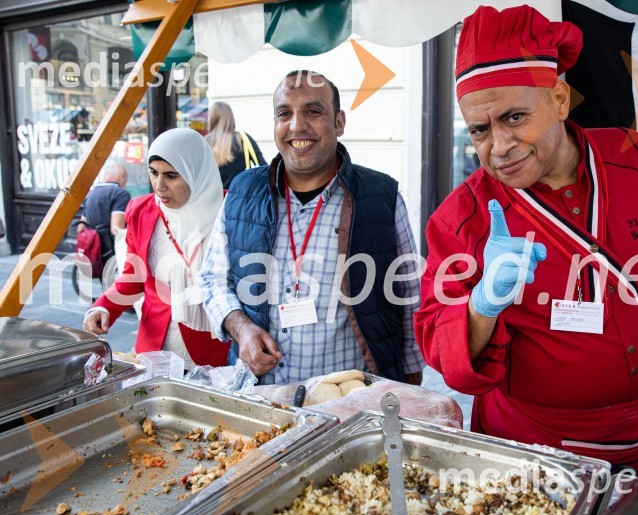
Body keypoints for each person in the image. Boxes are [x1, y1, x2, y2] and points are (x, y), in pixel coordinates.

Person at [415, 5, 638, 470]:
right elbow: (439, 347)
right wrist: (481, 306)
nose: (499, 145)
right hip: (535, 456)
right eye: (479, 129)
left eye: (514, 117)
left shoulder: (637, 157)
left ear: (557, 99)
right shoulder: (461, 218)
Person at [200, 70, 423, 385]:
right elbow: (212, 280)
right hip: (263, 398)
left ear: (339, 122)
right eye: (284, 114)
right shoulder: (242, 192)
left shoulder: (381, 196)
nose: (296, 126)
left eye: (313, 111)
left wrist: (410, 385)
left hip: (349, 401)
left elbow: (409, 295)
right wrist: (243, 330)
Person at [83, 128, 230, 369]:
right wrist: (103, 307)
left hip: (214, 352)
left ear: (196, 173)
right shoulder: (141, 211)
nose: (159, 186)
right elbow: (133, 276)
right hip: (156, 348)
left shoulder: (230, 211)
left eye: (171, 176)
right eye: (153, 173)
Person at [205, 101, 267, 189]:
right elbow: (264, 168)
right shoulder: (243, 139)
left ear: (211, 119)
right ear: (231, 118)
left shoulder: (204, 143)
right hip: (240, 198)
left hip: (212, 199)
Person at [77, 161, 131, 262]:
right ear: (121, 177)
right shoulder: (121, 194)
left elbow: (80, 227)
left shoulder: (91, 194)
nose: (125, 184)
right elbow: (116, 229)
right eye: (125, 180)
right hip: (109, 249)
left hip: (93, 247)